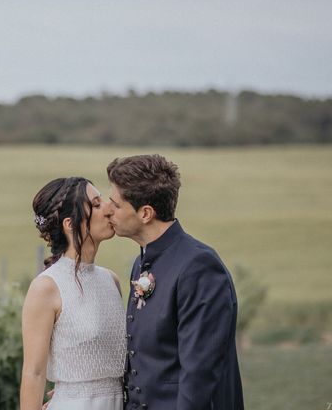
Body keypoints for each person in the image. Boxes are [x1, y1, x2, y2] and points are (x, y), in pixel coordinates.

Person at [105, 154, 244, 410]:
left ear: (145, 213)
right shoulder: (143, 262)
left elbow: (200, 372)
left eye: (115, 204)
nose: (107, 209)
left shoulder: (199, 267)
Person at [20, 177, 126, 410]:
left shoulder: (111, 280)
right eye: (96, 204)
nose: (109, 209)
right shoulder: (47, 287)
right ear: (70, 224)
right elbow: (34, 373)